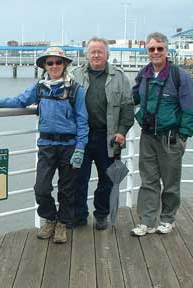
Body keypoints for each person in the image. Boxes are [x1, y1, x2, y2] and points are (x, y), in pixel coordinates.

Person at [0, 47, 88, 243]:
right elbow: (20, 100)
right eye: (50, 63)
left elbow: (82, 121)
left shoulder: (75, 89)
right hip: (46, 145)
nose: (54, 66)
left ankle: (62, 223)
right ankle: (50, 219)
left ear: (65, 65)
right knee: (41, 187)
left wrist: (80, 148)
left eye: (58, 62)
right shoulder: (39, 87)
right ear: (45, 66)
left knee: (67, 188)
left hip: (69, 146)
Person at [130, 32, 193, 236]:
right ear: (147, 51)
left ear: (166, 50)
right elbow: (133, 98)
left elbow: (191, 109)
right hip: (148, 136)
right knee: (148, 180)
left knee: (170, 182)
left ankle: (168, 219)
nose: (155, 52)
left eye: (159, 48)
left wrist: (184, 136)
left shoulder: (180, 76)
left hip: (171, 138)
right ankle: (147, 221)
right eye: (151, 49)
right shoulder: (143, 74)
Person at [71, 37, 134, 230]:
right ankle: (79, 215)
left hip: (108, 138)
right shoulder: (75, 76)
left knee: (107, 181)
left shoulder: (120, 77)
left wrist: (122, 132)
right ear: (86, 55)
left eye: (100, 51)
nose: (96, 55)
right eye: (93, 52)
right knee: (77, 180)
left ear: (107, 54)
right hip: (81, 138)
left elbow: (128, 108)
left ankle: (101, 214)